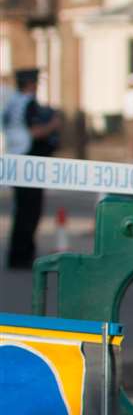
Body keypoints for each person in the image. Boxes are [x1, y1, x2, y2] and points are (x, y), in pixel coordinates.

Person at [4, 69, 60, 270]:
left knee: (21, 212)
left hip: (16, 160)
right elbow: (36, 132)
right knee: (29, 212)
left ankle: (17, 256)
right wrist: (53, 125)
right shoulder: (28, 104)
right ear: (30, 84)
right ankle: (23, 256)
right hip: (29, 163)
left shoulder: (12, 102)